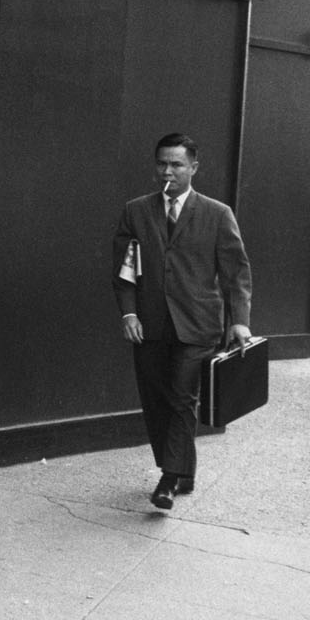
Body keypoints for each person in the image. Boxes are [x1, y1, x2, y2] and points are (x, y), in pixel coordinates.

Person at [113, 132, 252, 510]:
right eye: (161, 164)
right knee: (156, 399)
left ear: (194, 167)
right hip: (151, 325)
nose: (167, 172)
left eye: (176, 164)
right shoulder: (136, 211)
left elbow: (236, 273)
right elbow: (124, 271)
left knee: (181, 398)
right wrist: (129, 312)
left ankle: (169, 478)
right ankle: (182, 470)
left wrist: (239, 321)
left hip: (198, 325)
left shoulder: (217, 214)